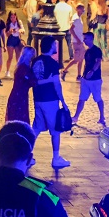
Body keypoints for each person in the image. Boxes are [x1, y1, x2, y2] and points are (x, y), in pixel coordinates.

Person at [31, 37, 70, 169]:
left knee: (36, 127)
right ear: (50, 46)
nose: (56, 47)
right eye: (55, 45)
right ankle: (56, 158)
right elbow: (56, 84)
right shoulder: (53, 64)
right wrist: (63, 101)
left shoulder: (35, 61)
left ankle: (26, 155)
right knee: (55, 130)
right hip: (50, 99)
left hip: (38, 99)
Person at [75, 32, 106, 126]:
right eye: (84, 39)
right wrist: (83, 75)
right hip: (86, 80)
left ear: (91, 39)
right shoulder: (87, 51)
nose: (84, 41)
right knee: (81, 99)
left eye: (86, 39)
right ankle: (76, 117)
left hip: (95, 80)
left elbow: (98, 62)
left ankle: (102, 117)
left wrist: (92, 71)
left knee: (98, 99)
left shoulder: (96, 50)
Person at [5, 46, 37, 124]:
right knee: (19, 120)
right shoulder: (24, 69)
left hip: (19, 96)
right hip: (19, 97)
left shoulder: (21, 67)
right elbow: (32, 81)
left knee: (16, 119)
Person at [62, 4, 88, 79]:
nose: (83, 10)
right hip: (76, 42)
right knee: (76, 59)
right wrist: (77, 39)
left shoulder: (79, 18)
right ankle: (64, 70)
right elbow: (71, 29)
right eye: (81, 9)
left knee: (81, 58)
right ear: (78, 9)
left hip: (80, 40)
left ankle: (79, 75)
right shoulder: (75, 18)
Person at [5, 12, 25, 76]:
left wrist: (19, 31)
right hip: (11, 40)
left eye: (14, 17)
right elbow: (7, 34)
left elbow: (23, 30)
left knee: (18, 56)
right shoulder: (8, 23)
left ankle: (18, 70)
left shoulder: (19, 22)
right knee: (10, 57)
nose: (13, 19)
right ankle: (7, 71)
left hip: (17, 39)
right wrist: (10, 32)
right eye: (11, 17)